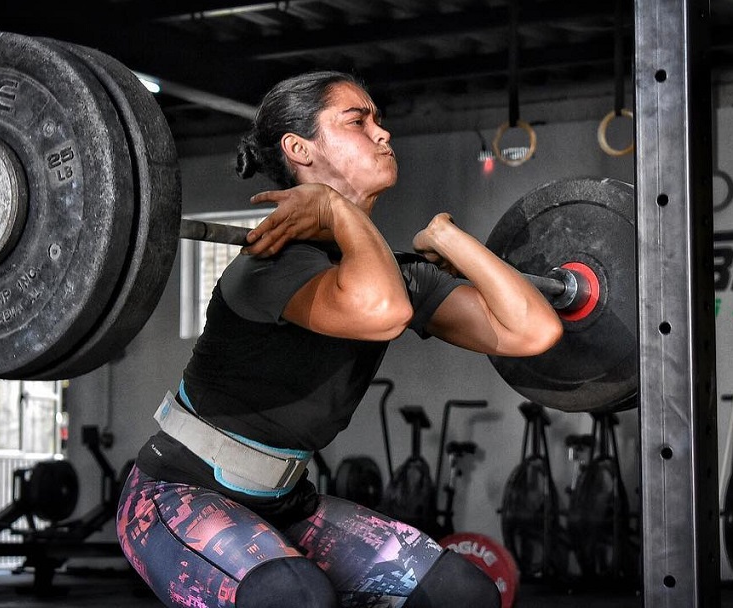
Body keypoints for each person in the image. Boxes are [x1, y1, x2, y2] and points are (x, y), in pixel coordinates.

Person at [116, 70, 562, 608]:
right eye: (358, 120)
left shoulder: (396, 275)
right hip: (175, 494)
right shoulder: (268, 266)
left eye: (379, 120)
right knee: (295, 597)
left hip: (285, 501)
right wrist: (333, 207)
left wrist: (450, 239)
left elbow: (533, 330)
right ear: (299, 149)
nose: (382, 133)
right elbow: (383, 310)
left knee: (459, 594)